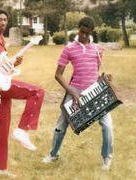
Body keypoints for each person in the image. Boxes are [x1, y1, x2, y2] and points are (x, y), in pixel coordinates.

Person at [0, 9, 45, 175]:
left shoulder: (1, 41)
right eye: (0, 20)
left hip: (2, 83)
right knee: (37, 92)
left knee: (3, 127)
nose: (3, 23)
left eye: (5, 20)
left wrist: (14, 64)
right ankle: (22, 129)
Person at [41, 16, 114, 170]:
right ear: (78, 29)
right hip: (75, 90)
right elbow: (58, 74)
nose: (84, 36)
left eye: (87, 33)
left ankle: (107, 158)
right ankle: (53, 154)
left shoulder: (97, 49)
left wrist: (103, 78)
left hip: (94, 91)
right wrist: (72, 92)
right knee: (61, 125)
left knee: (107, 126)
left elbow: (95, 72)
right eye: (82, 32)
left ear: (92, 32)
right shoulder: (69, 48)